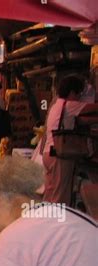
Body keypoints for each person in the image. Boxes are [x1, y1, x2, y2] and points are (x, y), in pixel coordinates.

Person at [42, 75, 98, 205]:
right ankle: (58, 223)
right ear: (72, 92)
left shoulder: (57, 105)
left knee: (50, 194)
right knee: (60, 197)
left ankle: (44, 221)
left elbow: (81, 120)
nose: (79, 97)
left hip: (48, 154)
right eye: (78, 94)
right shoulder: (69, 105)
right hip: (59, 156)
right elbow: (93, 108)